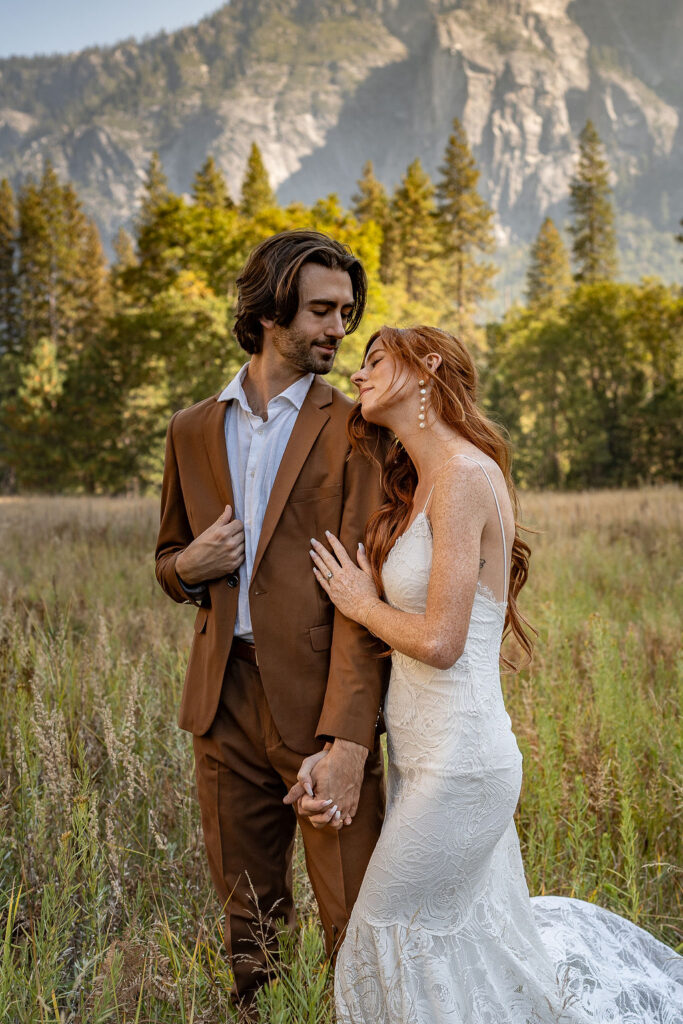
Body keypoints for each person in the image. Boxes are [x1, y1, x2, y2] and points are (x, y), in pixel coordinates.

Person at [287, 325, 683, 1022]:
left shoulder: (467, 476)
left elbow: (441, 642)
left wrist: (358, 602)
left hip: (461, 766)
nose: (358, 373)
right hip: (425, 761)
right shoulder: (430, 481)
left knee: (380, 938)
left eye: (375, 359)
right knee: (451, 952)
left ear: (426, 367)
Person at [154, 230, 389, 1011]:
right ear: (268, 310)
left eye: (346, 313)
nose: (337, 330)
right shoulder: (191, 429)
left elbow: (367, 600)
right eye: (321, 310)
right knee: (249, 926)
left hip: (323, 707)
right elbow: (169, 556)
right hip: (223, 706)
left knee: (353, 923)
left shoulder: (357, 428)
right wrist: (189, 569)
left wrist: (349, 741)